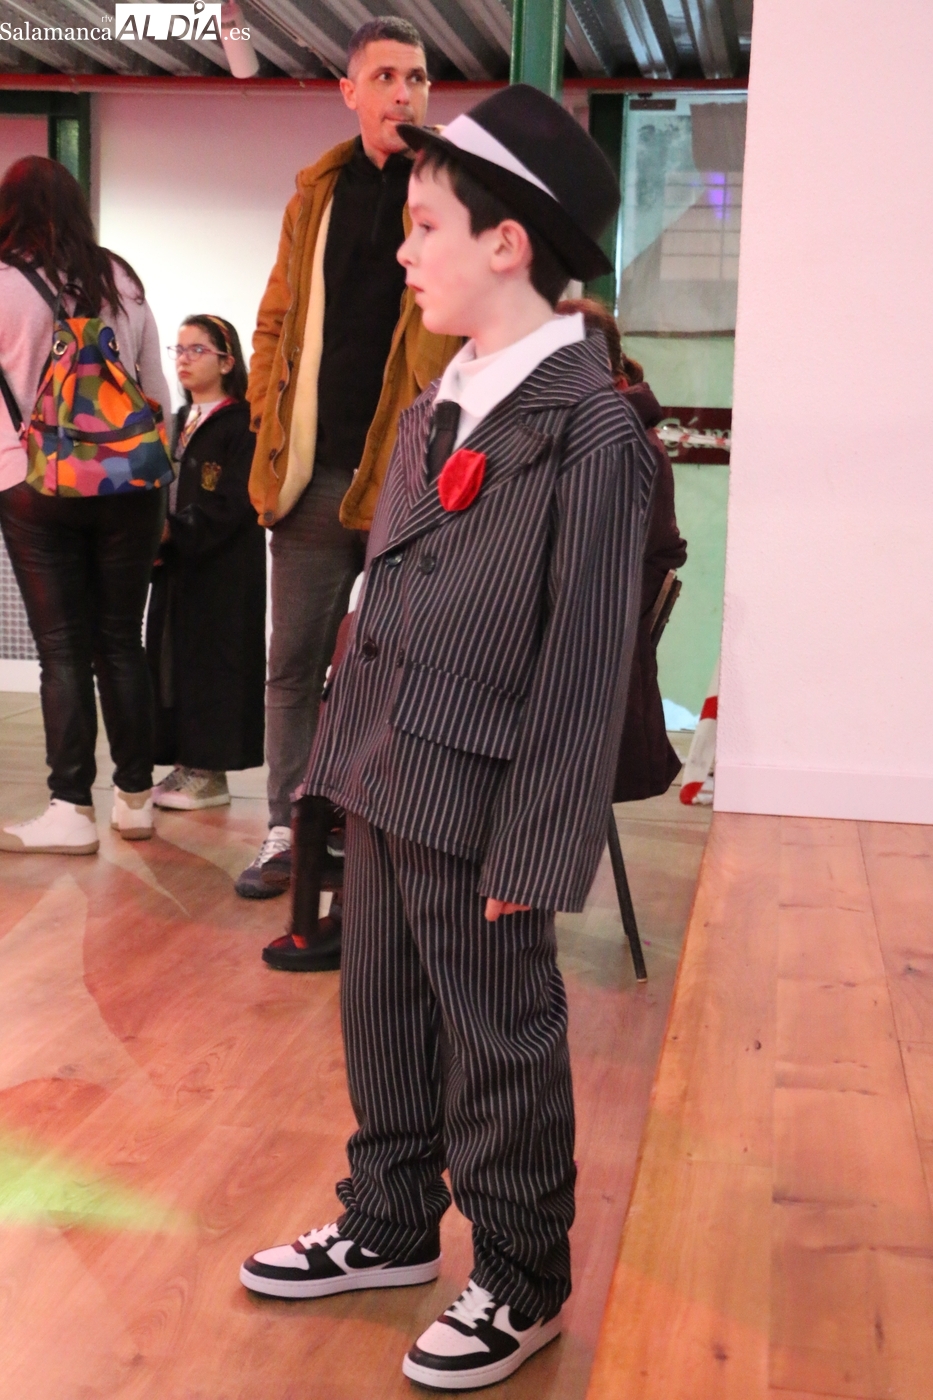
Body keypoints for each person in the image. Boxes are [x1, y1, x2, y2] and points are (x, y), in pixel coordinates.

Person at [239, 86, 658, 1389]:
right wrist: (335, 757)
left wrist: (537, 847)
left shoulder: (591, 428)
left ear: (507, 244)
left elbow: (586, 666)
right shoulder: (437, 402)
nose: (404, 250)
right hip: (383, 767)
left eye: (425, 228)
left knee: (498, 1039)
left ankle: (523, 1276)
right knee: (382, 1012)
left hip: (484, 798)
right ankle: (388, 1219)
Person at [237, 15, 460, 915]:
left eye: (417, 78)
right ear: (350, 91)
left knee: (407, 662)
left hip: (413, 475)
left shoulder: (455, 187)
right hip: (314, 475)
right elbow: (275, 320)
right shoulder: (315, 194)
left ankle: (382, 834)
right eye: (386, 78)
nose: (404, 94)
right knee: (292, 662)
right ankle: (288, 827)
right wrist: (267, 412)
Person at [0, 156, 172, 855]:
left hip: (33, 484)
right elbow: (156, 390)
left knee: (62, 650)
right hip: (130, 483)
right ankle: (135, 800)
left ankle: (71, 806)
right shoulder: (119, 278)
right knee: (121, 641)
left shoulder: (3, 283)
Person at [556, 296, 688, 800]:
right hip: (592, 646)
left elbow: (584, 569)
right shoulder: (602, 436)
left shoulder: (625, 447)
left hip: (589, 665)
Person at [146, 315, 265, 810]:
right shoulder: (175, 421)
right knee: (171, 661)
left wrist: (178, 529)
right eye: (178, 349)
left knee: (214, 664)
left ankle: (210, 774)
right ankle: (184, 763)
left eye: (197, 350)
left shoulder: (244, 424)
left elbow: (238, 499)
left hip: (223, 570)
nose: (183, 359)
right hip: (176, 566)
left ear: (227, 361)